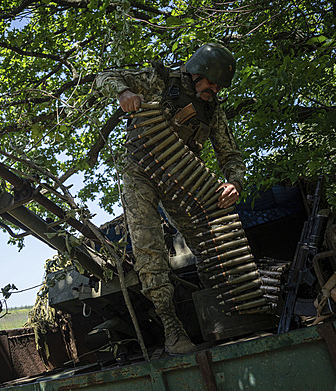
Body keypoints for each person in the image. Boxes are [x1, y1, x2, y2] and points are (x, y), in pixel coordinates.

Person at [96, 43, 246, 354]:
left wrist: (235, 182)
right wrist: (124, 93)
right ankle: (172, 329)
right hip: (141, 172)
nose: (215, 90)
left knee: (211, 245)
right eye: (211, 82)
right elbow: (104, 77)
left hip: (181, 180)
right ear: (195, 74)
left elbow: (230, 153)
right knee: (149, 250)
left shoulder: (211, 110)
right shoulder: (160, 81)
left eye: (219, 86)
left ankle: (227, 315)